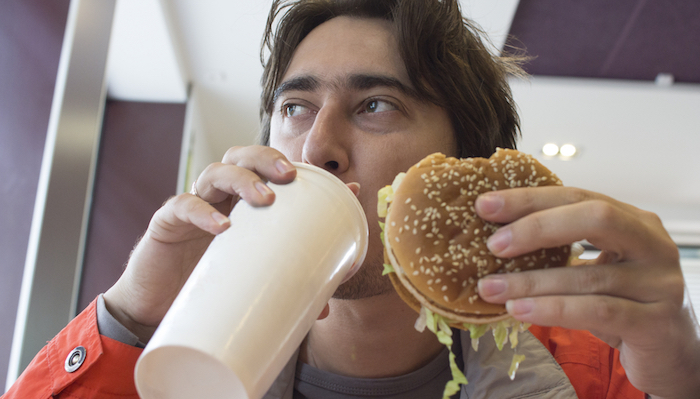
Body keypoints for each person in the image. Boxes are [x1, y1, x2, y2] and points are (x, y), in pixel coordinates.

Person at [5, 0, 699, 398]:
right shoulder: (172, 365)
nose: (317, 148)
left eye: (375, 104)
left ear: (462, 175)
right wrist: (128, 315)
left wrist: (677, 373)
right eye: (296, 106)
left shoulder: (600, 367)